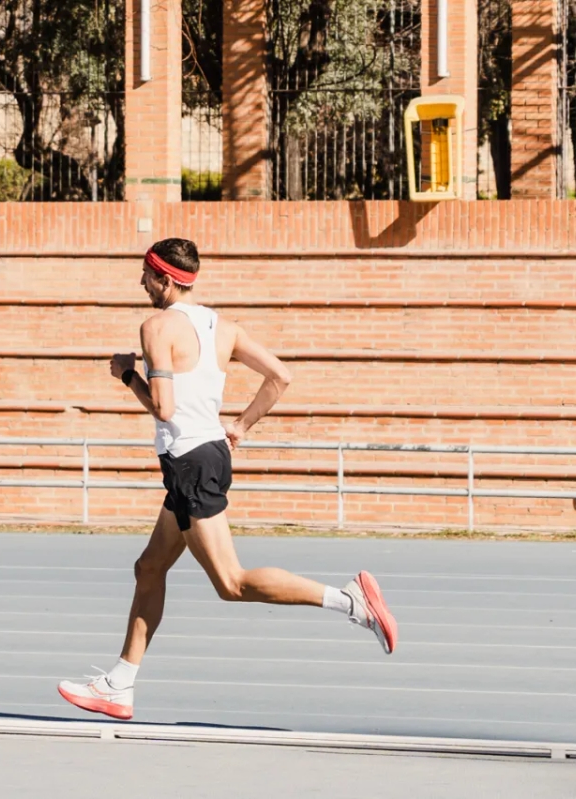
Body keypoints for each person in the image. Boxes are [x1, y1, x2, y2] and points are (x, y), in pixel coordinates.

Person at [57, 238, 397, 721]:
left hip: (189, 464)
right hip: (207, 455)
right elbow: (280, 377)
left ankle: (351, 601)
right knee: (149, 568)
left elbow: (164, 408)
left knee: (232, 583)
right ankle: (119, 684)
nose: (141, 283)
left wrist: (128, 376)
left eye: (146, 275)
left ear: (165, 279)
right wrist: (241, 425)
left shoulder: (156, 327)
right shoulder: (224, 327)